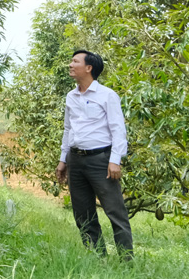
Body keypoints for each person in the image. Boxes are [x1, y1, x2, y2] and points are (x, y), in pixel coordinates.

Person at [55, 50, 133, 259]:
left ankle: (127, 261)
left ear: (88, 68)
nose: (70, 65)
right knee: (83, 213)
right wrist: (63, 160)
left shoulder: (107, 95)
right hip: (75, 161)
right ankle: (98, 258)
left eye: (75, 61)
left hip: (101, 160)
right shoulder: (71, 97)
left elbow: (118, 130)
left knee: (115, 212)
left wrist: (115, 160)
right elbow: (68, 129)